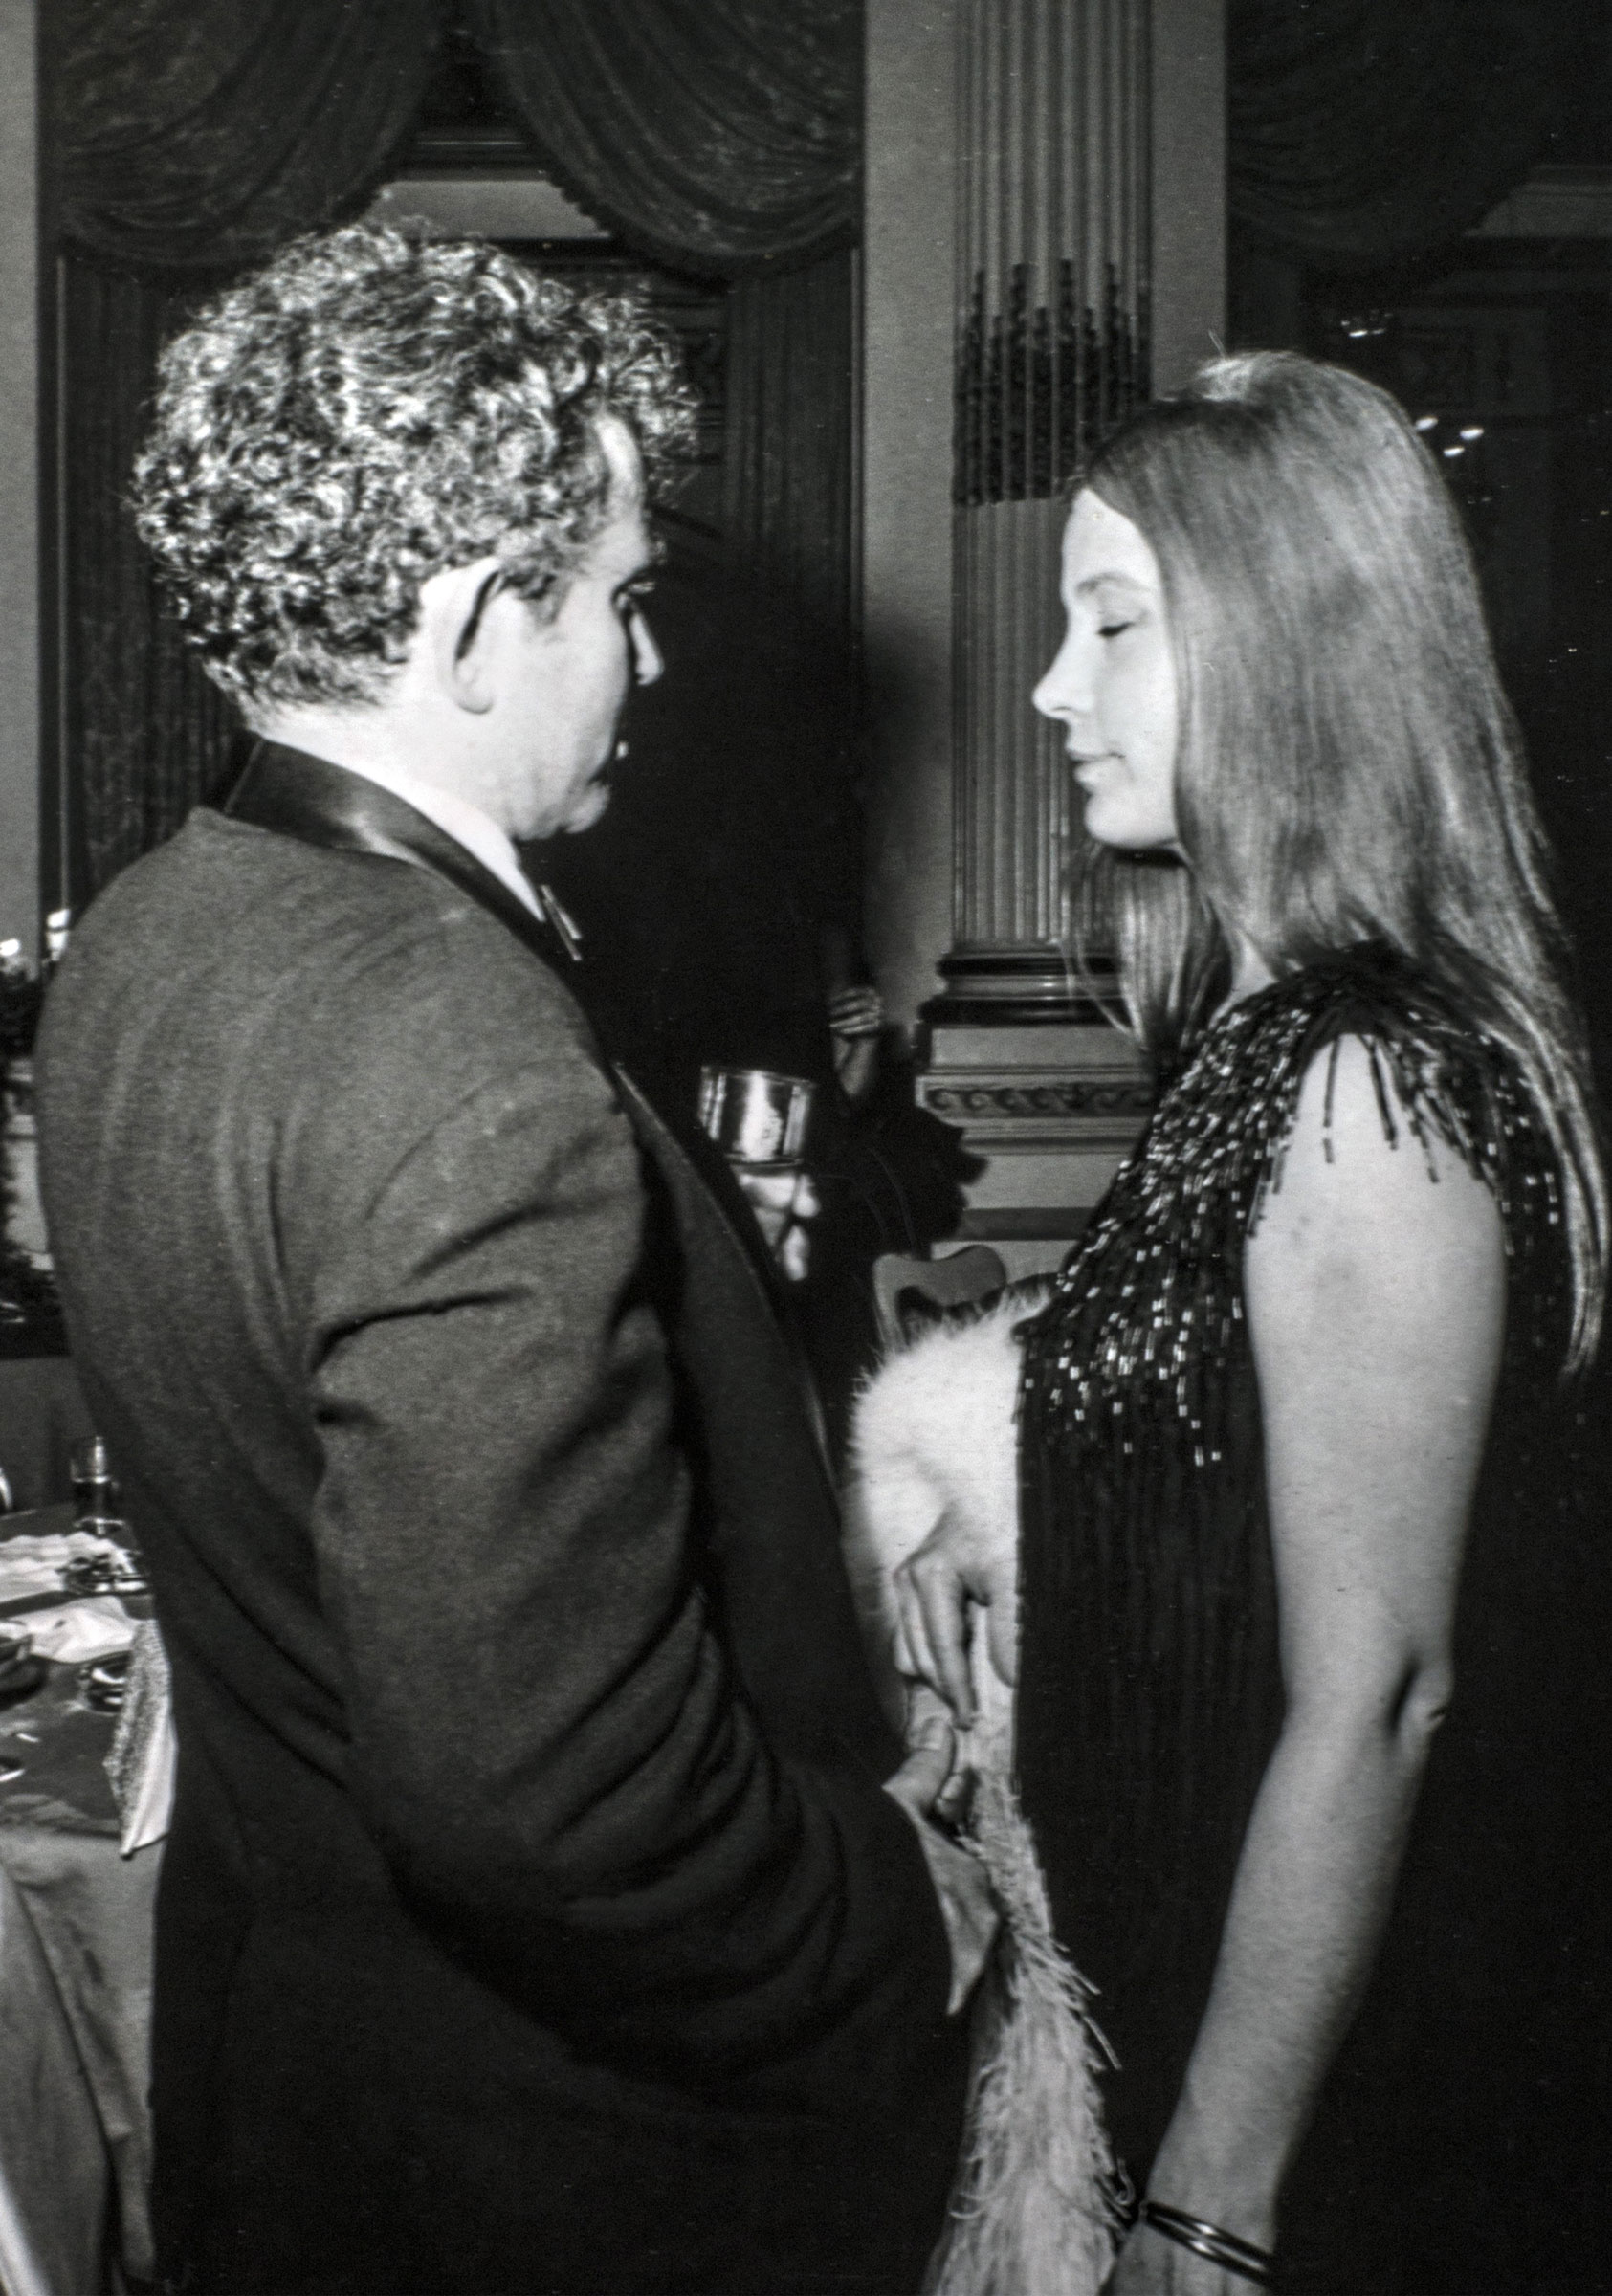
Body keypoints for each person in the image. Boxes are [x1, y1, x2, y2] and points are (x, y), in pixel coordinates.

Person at [36, 224, 990, 2296]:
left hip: (301, 2096)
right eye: (628, 603)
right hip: (565, 2169)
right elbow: (559, 1813)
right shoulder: (463, 1052)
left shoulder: (145, 934)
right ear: (482, 620)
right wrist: (901, 1912)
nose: (648, 664)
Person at [884, 352, 1608, 2293]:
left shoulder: (1368, 1076)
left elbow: (1382, 1697)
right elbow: (1195, 1391)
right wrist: (986, 1497)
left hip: (1308, 2131)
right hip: (1156, 1997)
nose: (1050, 687)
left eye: (1110, 624)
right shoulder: (1263, 1047)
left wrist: (1206, 2220)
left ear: (1288, 654)